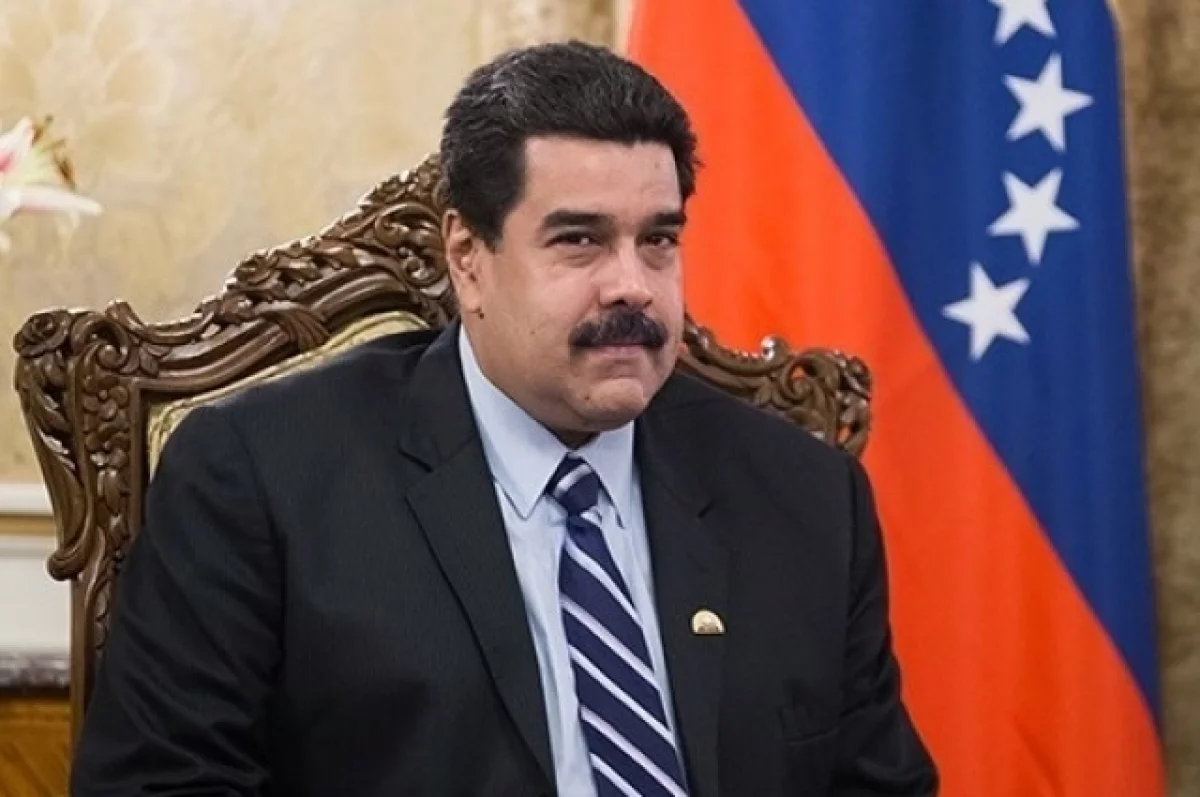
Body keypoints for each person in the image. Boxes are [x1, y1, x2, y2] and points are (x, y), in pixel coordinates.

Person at [70, 41, 937, 797]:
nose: (632, 285)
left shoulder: (803, 494)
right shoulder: (263, 477)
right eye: (579, 240)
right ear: (467, 259)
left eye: (658, 240)